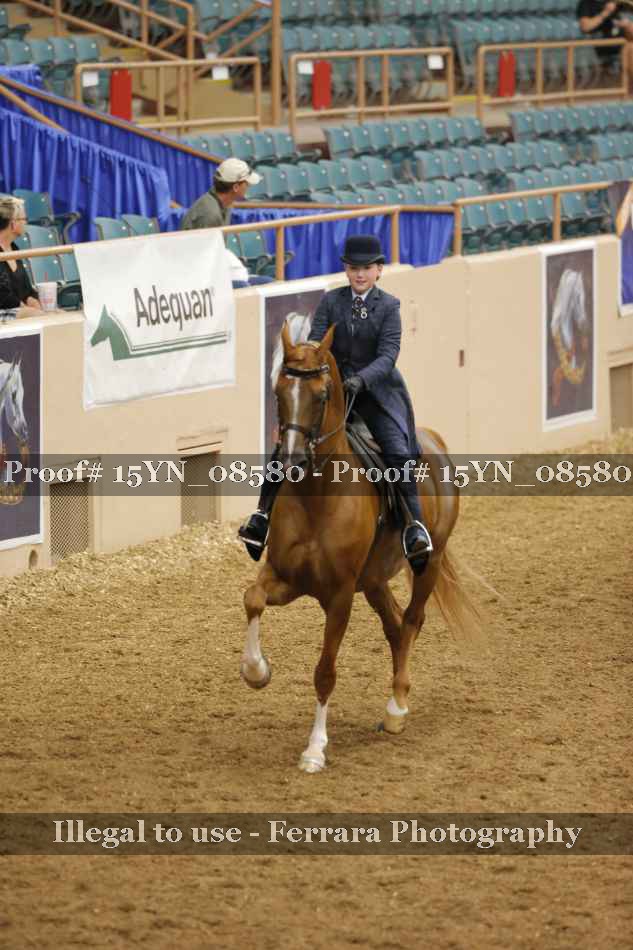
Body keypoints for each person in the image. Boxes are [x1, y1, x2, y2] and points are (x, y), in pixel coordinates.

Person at [238, 233, 434, 575]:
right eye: (354, 268)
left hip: (376, 394)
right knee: (287, 445)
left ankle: (413, 527)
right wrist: (309, 359)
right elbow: (317, 341)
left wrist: (362, 379)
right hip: (331, 392)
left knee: (395, 452)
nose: (360, 274)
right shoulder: (331, 302)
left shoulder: (389, 307)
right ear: (346, 270)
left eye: (367, 268)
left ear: (378, 271)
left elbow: (388, 356)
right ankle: (262, 516)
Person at [181, 157, 273, 287]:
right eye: (246, 183)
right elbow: (203, 261)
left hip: (212, 270)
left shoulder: (226, 204)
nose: (249, 186)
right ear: (236, 187)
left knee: (268, 282)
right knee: (244, 285)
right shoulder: (209, 214)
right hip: (200, 279)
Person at [0, 196, 41, 311]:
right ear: (13, 224)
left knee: (59, 313)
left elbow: (27, 288)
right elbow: (3, 296)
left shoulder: (15, 249)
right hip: (5, 311)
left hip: (19, 309)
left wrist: (32, 299)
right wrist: (25, 308)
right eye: (24, 219)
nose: (26, 222)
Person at [577, 1, 633, 80]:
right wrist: (605, 13)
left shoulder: (616, 3)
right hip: (600, 44)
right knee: (630, 48)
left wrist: (627, 25)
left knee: (630, 46)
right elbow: (585, 27)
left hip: (621, 42)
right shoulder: (586, 3)